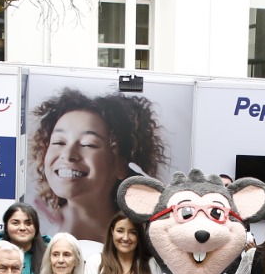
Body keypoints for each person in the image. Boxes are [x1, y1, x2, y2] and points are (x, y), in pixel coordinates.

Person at [29, 88, 166, 240]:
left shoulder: (141, 241)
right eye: (59, 142)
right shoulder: (41, 237)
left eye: (88, 144)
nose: (68, 155)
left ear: (121, 164)